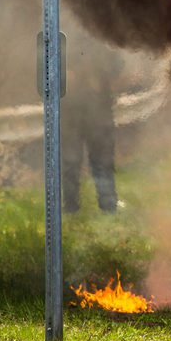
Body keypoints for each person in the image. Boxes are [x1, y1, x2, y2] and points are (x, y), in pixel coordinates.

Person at [61, 33, 122, 214]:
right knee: (74, 163)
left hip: (95, 114)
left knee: (99, 163)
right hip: (76, 115)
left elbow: (117, 70)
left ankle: (107, 206)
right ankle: (75, 208)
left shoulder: (101, 44)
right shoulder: (68, 45)